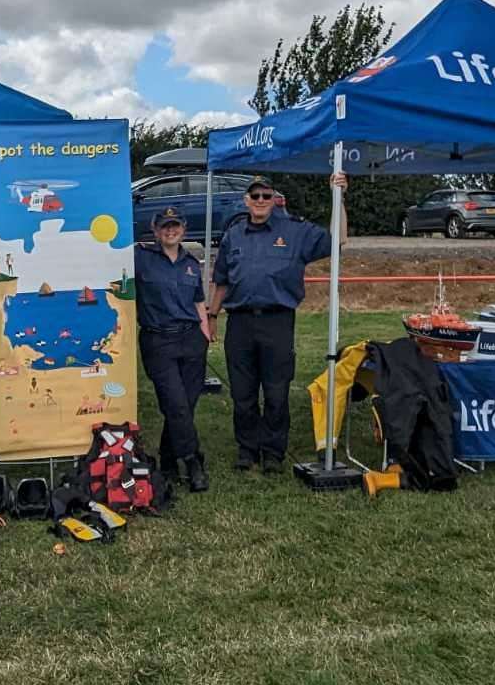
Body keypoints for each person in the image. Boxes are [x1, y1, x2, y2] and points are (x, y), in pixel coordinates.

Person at [208, 173, 348, 473]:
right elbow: (220, 281)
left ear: (274, 200)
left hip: (277, 322)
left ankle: (273, 451)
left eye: (266, 196)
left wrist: (340, 197)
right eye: (255, 196)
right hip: (240, 324)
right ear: (246, 201)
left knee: (276, 392)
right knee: (242, 393)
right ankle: (247, 449)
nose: (260, 201)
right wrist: (211, 317)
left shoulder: (295, 231)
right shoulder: (234, 235)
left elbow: (337, 241)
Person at [134, 207, 212, 492]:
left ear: (183, 228)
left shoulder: (191, 263)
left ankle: (167, 460)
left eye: (175, 226)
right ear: (155, 230)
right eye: (164, 226)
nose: (170, 231)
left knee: (184, 406)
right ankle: (193, 462)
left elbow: (198, 303)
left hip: (191, 340)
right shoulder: (140, 258)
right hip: (159, 341)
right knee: (176, 404)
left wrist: (205, 334)